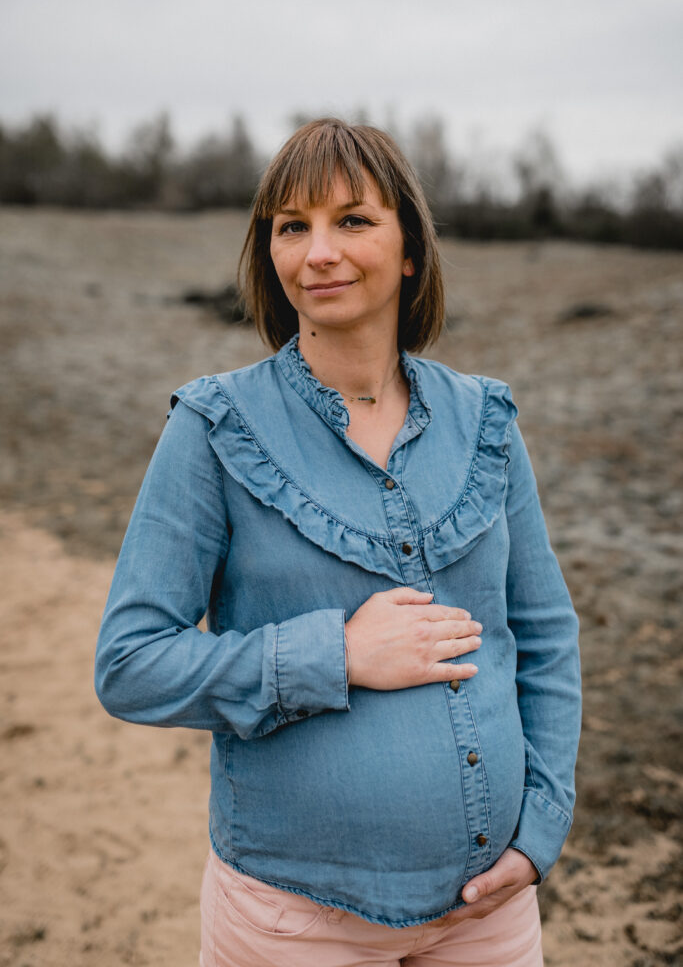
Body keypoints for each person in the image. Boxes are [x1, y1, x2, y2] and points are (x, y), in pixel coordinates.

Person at [95, 118, 581, 967]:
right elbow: (130, 664)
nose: (317, 252)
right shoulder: (214, 427)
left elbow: (541, 636)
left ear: (408, 250)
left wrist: (540, 827)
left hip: (489, 914)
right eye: (292, 225)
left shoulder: (486, 420)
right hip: (293, 922)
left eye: (351, 220)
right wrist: (334, 654)